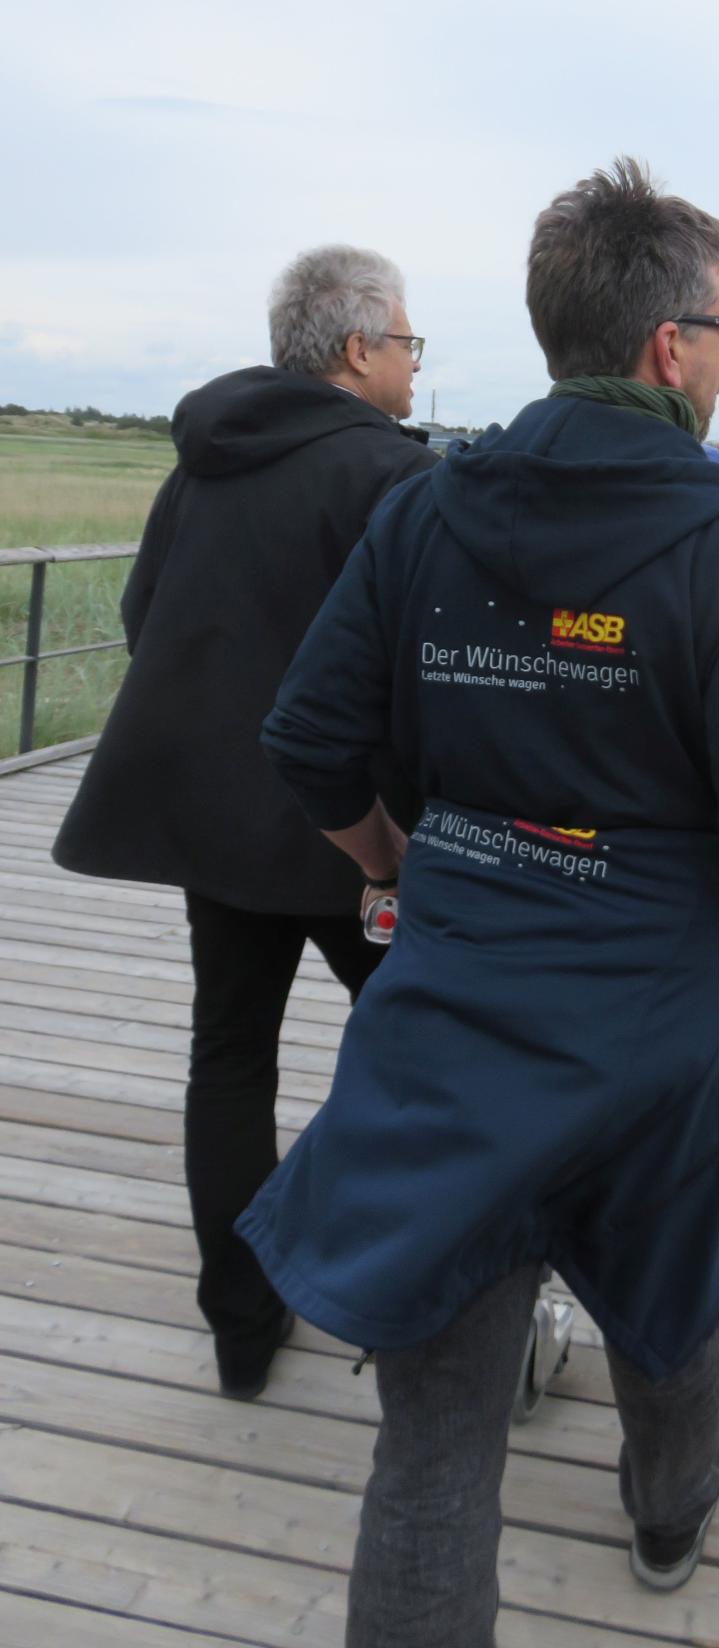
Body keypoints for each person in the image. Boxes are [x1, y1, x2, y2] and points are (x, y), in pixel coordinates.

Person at [236, 157, 719, 1642]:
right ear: (669, 347)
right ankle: (670, 1502)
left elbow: (310, 740)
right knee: (666, 1300)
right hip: (657, 1018)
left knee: (433, 1443)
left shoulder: (425, 511)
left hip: (454, 1014)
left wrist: (396, 865)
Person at [52, 246, 438, 1400]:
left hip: (216, 823)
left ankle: (239, 1326)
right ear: (358, 348)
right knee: (420, 1054)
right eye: (409, 342)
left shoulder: (205, 458)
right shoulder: (392, 473)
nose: (416, 364)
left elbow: (145, 613)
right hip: (359, 833)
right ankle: (402, 1288)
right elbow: (426, 665)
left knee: (229, 1056)